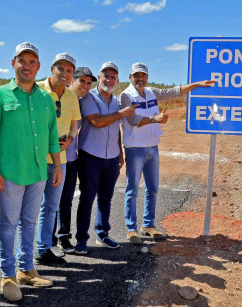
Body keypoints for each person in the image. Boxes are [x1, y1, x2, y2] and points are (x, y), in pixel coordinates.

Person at [0, 42, 63, 302]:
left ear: (38, 66)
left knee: (30, 222)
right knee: (9, 224)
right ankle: (8, 275)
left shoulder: (45, 99)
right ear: (13, 63)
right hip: (9, 174)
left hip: (39, 172)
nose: (26, 66)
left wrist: (58, 165)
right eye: (22, 61)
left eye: (31, 62)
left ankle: (27, 269)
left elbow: (52, 135)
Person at [119, 63, 215, 244]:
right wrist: (155, 119)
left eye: (143, 75)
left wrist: (196, 84)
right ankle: (131, 229)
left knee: (152, 189)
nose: (140, 78)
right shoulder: (125, 95)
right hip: (135, 149)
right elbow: (133, 120)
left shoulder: (151, 92)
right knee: (132, 190)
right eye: (136, 75)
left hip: (152, 147)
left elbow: (175, 91)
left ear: (147, 77)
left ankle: (148, 225)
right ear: (130, 77)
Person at [74, 61, 137, 254]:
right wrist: (122, 113)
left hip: (111, 157)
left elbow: (115, 127)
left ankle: (102, 234)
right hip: (90, 156)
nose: (109, 80)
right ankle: (81, 240)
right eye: (106, 76)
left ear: (117, 81)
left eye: (113, 77)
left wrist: (119, 151)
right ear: (99, 78)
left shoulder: (116, 101)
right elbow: (96, 122)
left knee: (106, 198)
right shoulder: (89, 97)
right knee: (87, 198)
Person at [34, 53, 80, 267]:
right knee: (28, 209)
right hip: (35, 158)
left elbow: (74, 124)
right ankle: (25, 255)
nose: (65, 73)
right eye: (61, 68)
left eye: (69, 70)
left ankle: (43, 249)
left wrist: (70, 140)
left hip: (59, 159)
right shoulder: (36, 90)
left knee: (51, 206)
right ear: (52, 69)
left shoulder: (71, 96)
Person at [50, 67, 96, 256]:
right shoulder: (59, 97)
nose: (85, 85)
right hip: (53, 159)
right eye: (81, 81)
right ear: (72, 81)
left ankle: (63, 237)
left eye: (88, 82)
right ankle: (49, 241)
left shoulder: (81, 101)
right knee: (51, 202)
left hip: (72, 159)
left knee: (66, 201)